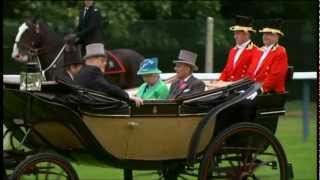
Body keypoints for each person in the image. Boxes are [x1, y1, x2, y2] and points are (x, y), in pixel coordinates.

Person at [74, 43, 143, 106]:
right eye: (102, 60)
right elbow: (108, 88)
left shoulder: (80, 73)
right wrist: (127, 96)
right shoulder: (93, 70)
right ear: (95, 60)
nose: (105, 63)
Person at [207, 15, 258, 89]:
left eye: (237, 33)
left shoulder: (256, 51)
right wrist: (219, 81)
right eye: (235, 33)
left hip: (244, 89)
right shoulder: (233, 50)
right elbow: (226, 70)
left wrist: (228, 84)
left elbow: (250, 76)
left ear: (247, 34)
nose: (235, 36)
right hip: (229, 89)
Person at [246, 18, 288, 93]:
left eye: (269, 34)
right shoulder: (258, 51)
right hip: (253, 88)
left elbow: (275, 76)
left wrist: (258, 90)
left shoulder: (280, 51)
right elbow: (250, 73)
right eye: (264, 33)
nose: (265, 36)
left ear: (277, 36)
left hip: (270, 92)